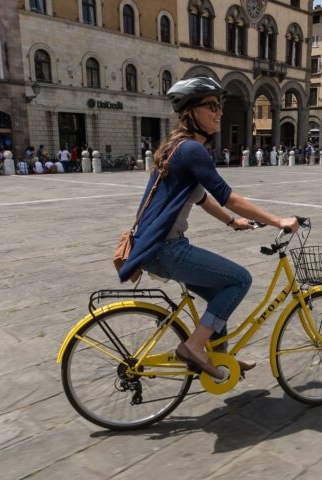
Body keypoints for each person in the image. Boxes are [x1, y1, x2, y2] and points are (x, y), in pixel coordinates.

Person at [118, 77, 299, 379]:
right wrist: (278, 220)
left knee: (220, 290)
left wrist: (233, 222)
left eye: (220, 106)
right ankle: (193, 347)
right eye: (212, 106)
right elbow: (228, 197)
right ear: (191, 111)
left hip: (155, 246)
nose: (219, 113)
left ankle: (218, 356)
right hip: (167, 248)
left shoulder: (177, 148)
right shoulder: (191, 150)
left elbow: (200, 197)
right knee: (239, 279)